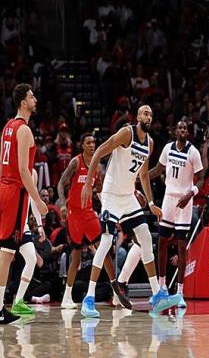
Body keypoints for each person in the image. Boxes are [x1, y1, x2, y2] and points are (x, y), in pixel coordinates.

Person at [80, 105, 181, 318]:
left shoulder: (150, 143)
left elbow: (143, 175)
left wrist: (151, 202)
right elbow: (99, 151)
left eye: (151, 114)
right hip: (111, 195)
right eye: (145, 113)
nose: (148, 116)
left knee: (145, 237)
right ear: (137, 117)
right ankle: (88, 298)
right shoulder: (127, 133)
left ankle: (157, 295)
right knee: (105, 242)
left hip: (128, 197)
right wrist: (88, 183)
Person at [57, 133, 131, 310]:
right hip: (75, 213)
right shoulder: (76, 162)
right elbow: (61, 183)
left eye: (94, 142)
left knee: (104, 251)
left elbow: (99, 190)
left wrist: (107, 206)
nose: (92, 145)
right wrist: (63, 204)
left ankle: (116, 292)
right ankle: (66, 297)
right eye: (88, 142)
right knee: (76, 257)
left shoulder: (97, 166)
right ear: (82, 145)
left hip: (89, 213)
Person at [0, 83, 48, 324]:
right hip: (16, 193)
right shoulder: (24, 130)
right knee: (6, 253)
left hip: (4, 188)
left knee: (7, 251)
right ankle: (0, 308)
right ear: (23, 103)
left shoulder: (7, 126)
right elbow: (23, 170)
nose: (35, 99)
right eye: (31, 96)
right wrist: (37, 201)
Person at [149, 120, 205, 308]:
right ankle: (162, 287)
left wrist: (190, 194)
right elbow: (158, 170)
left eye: (185, 128)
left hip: (184, 202)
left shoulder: (193, 152)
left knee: (182, 247)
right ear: (175, 131)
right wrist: (139, 177)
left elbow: (202, 179)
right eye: (179, 127)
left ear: (187, 132)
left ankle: (180, 292)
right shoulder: (167, 148)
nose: (182, 130)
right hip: (168, 199)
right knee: (162, 242)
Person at [11, 169, 45, 315]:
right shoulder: (10, 167)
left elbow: (33, 199)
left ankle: (18, 301)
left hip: (22, 226)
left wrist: (40, 226)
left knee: (31, 259)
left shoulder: (33, 173)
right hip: (8, 222)